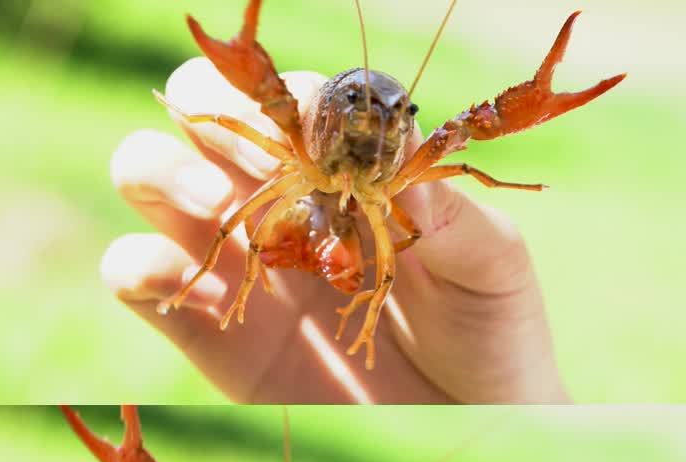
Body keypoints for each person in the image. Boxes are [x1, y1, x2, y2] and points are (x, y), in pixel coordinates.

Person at [103, 58, 571, 404]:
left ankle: (361, 329)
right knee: (234, 222)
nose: (375, 124)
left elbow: (462, 167)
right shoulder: (295, 147)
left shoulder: (410, 191)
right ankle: (252, 291)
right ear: (330, 111)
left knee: (384, 272)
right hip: (303, 188)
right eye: (357, 107)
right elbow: (229, 124)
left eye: (394, 115)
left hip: (353, 220)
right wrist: (202, 115)